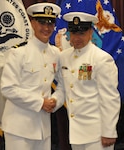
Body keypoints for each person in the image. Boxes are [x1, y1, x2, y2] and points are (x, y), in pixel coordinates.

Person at [52, 12, 121, 150]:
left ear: (90, 32)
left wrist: (109, 131)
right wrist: (53, 102)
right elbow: (62, 88)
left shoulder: (101, 59)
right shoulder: (64, 57)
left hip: (98, 135)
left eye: (82, 33)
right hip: (76, 133)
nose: (77, 38)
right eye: (74, 33)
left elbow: (110, 98)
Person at [0, 3, 62, 150]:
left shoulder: (56, 54)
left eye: (50, 23)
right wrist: (40, 102)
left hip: (43, 128)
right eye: (42, 23)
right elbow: (7, 88)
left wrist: (55, 101)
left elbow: (64, 85)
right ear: (33, 23)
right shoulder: (18, 53)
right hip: (19, 128)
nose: (46, 28)